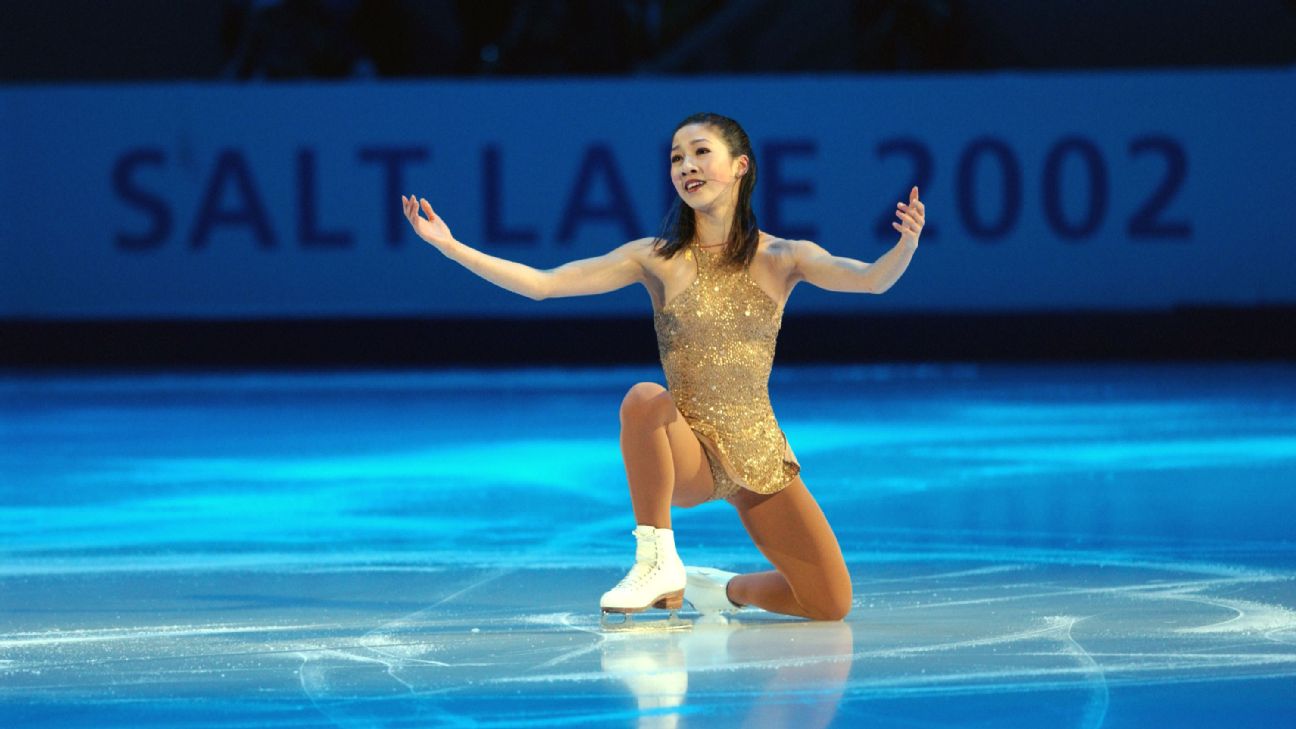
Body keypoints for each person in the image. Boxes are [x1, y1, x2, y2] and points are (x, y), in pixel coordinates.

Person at [401, 112, 924, 624]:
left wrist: (904, 247)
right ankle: (656, 560)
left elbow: (872, 280)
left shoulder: (784, 255)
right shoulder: (657, 258)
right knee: (644, 399)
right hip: (688, 454)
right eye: (677, 157)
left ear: (740, 166)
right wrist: (451, 248)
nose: (686, 166)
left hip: (760, 455)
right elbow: (544, 283)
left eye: (700, 152)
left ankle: (718, 589)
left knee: (828, 603)